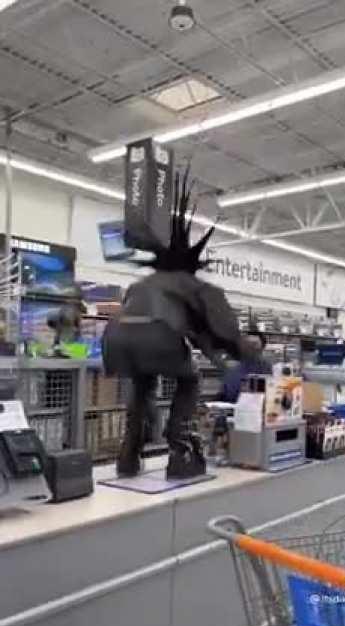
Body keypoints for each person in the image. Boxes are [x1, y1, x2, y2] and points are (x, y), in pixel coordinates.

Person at [102, 168, 255, 480]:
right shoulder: (195, 286)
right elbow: (225, 328)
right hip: (157, 336)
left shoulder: (143, 284)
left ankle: (128, 457)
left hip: (115, 338)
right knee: (190, 380)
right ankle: (180, 451)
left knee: (142, 384)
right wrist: (245, 352)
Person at [220, 326, 272, 403]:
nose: (250, 348)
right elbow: (224, 393)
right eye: (247, 344)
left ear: (262, 348)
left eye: (254, 344)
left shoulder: (267, 368)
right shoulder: (233, 368)